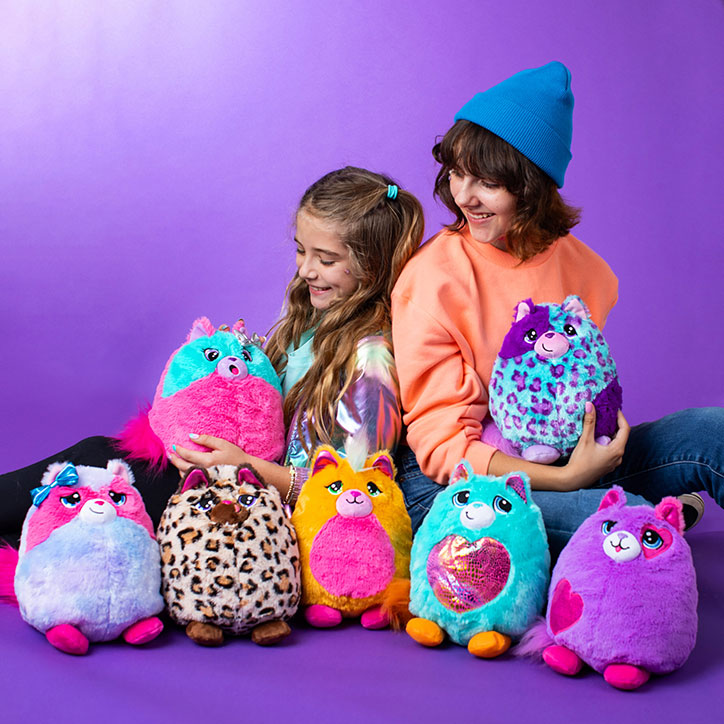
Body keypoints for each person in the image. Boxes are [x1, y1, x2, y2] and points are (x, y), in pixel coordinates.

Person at [391, 62, 720, 554]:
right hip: (469, 486)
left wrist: (602, 431)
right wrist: (567, 480)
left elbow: (581, 381)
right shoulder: (432, 279)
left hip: (574, 456)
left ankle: (646, 506)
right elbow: (443, 450)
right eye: (458, 172)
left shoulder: (587, 270)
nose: (464, 196)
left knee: (713, 432)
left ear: (533, 183)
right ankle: (647, 511)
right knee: (626, 524)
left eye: (488, 182)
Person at [0, 166, 424, 542]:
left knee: (99, 472)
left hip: (268, 515)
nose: (305, 270)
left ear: (373, 266)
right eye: (301, 250)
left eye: (326, 259)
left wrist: (245, 466)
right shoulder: (311, 319)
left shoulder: (373, 361)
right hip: (228, 478)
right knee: (98, 454)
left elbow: (357, 488)